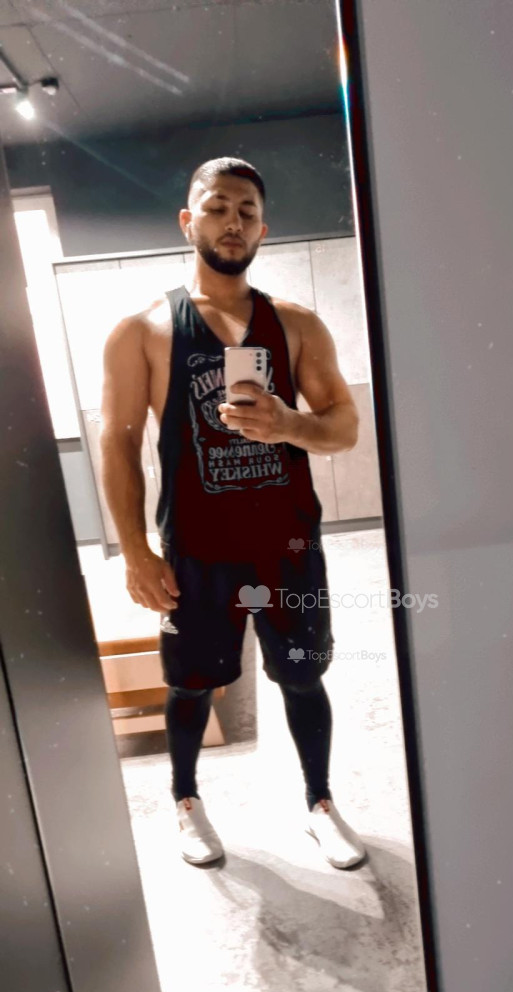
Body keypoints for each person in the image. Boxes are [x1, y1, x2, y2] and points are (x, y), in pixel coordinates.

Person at [100, 156, 366, 870]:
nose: (233, 222)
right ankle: (185, 801)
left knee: (303, 673)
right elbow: (117, 443)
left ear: (263, 230)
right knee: (192, 681)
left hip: (288, 545)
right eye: (218, 207)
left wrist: (289, 425)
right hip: (197, 550)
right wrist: (135, 551)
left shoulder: (297, 325)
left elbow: (343, 426)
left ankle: (320, 803)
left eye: (247, 211)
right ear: (188, 221)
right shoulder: (144, 329)